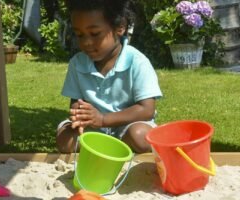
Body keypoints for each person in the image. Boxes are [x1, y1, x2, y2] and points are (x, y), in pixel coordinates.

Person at [56, 0, 162, 154]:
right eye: (79, 35)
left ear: (120, 27)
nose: (86, 42)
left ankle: (114, 148)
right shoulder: (77, 64)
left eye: (95, 34)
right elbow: (76, 103)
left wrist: (104, 119)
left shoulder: (137, 62)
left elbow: (147, 110)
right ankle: (109, 150)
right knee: (64, 140)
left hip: (128, 126)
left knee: (140, 136)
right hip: (93, 128)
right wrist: (79, 115)